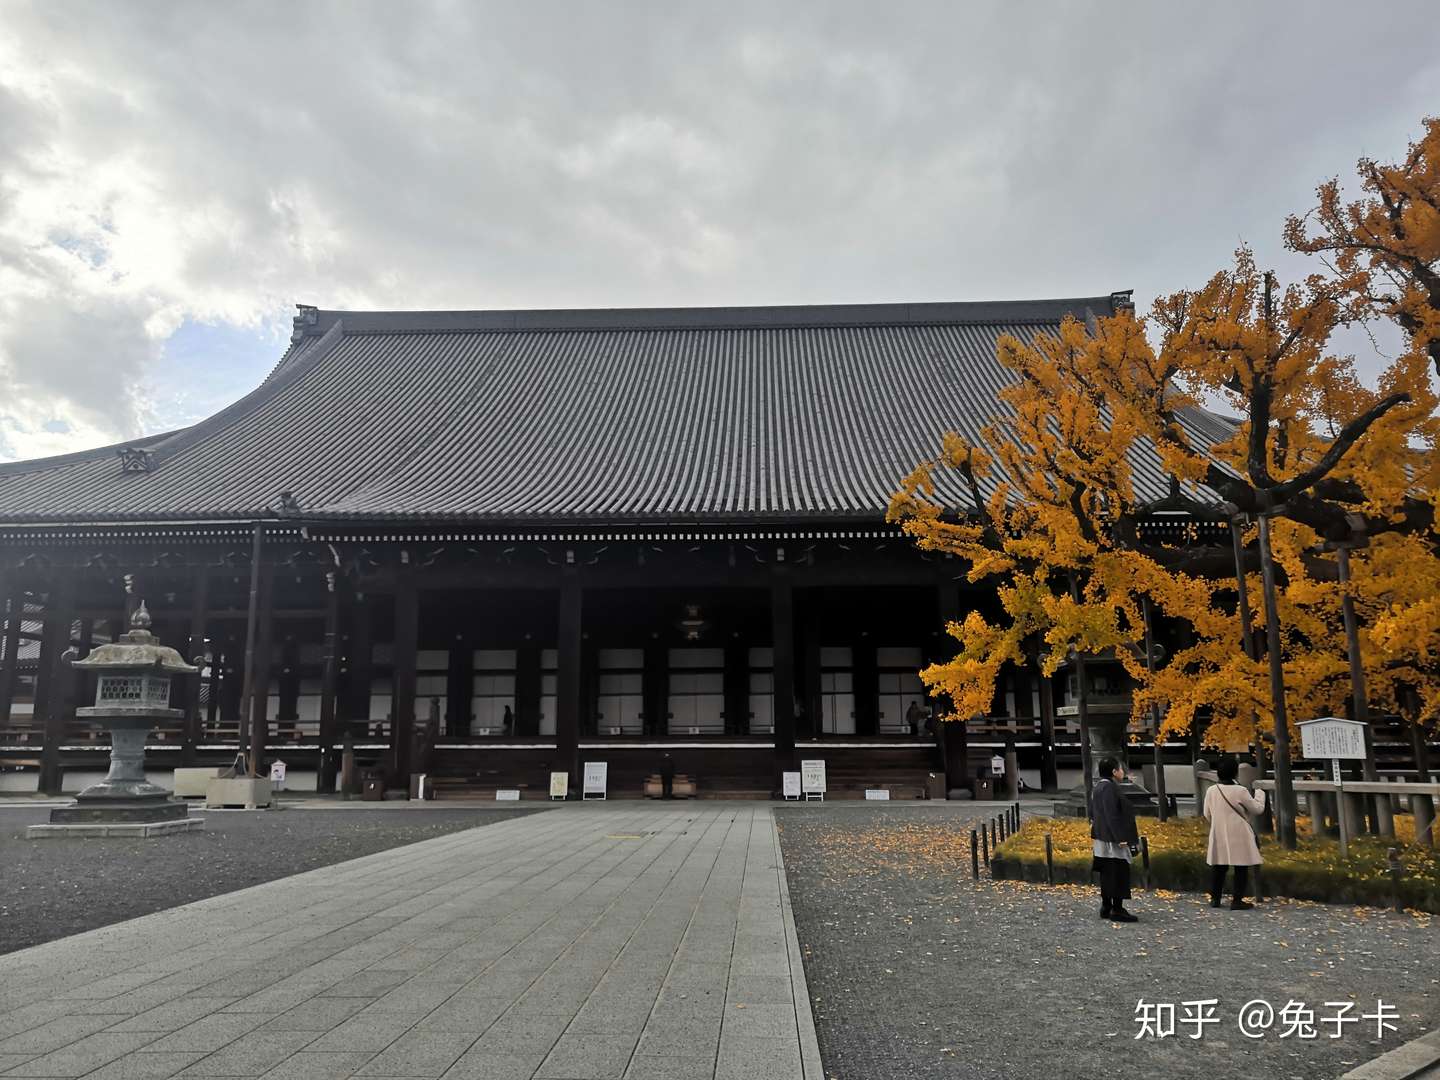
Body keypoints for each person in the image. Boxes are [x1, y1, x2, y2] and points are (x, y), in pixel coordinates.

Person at [1204, 756, 1266, 910]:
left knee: (1218, 867)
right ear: (1235, 773)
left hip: (1219, 831)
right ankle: (1237, 900)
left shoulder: (1211, 790)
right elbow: (1257, 809)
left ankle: (1215, 898)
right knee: (1241, 867)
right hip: (1239, 832)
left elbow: (1207, 813)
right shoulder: (1240, 790)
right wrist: (1260, 793)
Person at [1091, 756, 1140, 922]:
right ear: (1114, 771)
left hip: (1102, 835)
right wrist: (1121, 837)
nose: (1122, 771)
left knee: (1106, 872)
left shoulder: (1099, 787)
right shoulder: (1109, 788)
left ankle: (1107, 905)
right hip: (1112, 838)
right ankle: (1117, 909)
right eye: (1120, 769)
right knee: (1118, 871)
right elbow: (1112, 815)